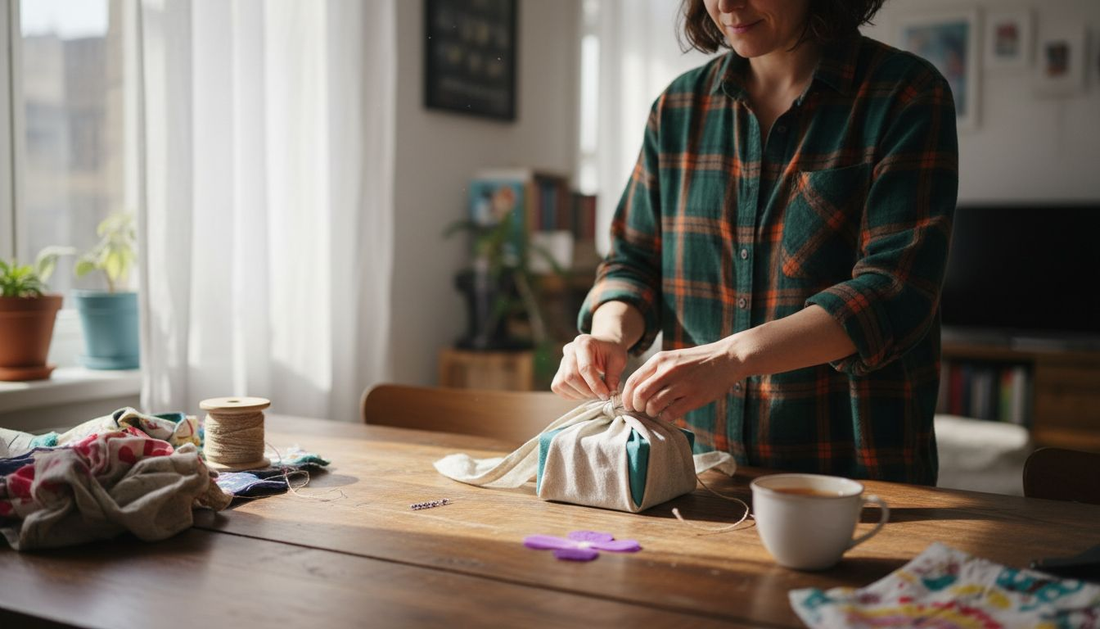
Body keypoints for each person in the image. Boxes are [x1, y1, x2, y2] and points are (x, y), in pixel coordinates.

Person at [551, 0, 958, 485]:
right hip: (698, 469)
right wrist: (608, 335)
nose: (725, 4)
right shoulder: (678, 109)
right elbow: (633, 263)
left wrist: (730, 359)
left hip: (855, 475)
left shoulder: (905, 95)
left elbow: (893, 290)